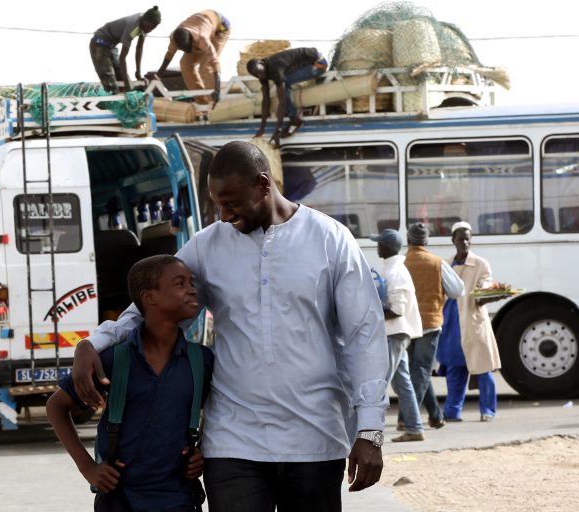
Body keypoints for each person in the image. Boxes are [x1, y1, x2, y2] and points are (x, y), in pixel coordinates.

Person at [72, 141, 389, 511]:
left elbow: (364, 334)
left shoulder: (331, 239)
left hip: (316, 438)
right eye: (217, 204)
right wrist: (94, 343)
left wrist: (370, 429)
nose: (223, 215)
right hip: (233, 440)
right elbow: (153, 306)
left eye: (232, 203)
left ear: (263, 184)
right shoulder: (209, 245)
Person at [47, 255, 214, 511]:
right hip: (119, 500)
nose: (193, 289)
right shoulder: (113, 360)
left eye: (192, 282)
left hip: (179, 498)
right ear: (149, 297)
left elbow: (219, 411)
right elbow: (56, 406)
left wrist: (200, 449)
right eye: (180, 283)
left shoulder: (201, 361)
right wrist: (87, 467)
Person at [400, 222, 465, 429]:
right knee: (421, 371)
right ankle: (406, 417)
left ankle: (435, 416)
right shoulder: (438, 263)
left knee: (417, 371)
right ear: (426, 241)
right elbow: (457, 291)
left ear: (408, 241)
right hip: (430, 324)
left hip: (407, 325)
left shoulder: (401, 263)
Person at [436, 221, 502, 422]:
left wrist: (490, 294)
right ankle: (452, 412)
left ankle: (488, 411)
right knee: (454, 371)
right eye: (460, 239)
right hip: (451, 322)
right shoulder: (445, 264)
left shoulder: (481, 264)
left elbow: (484, 287)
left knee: (483, 368)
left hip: (473, 322)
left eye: (467, 239)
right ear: (453, 240)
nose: (464, 242)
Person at [370, 229, 425, 443]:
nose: (377, 247)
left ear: (386, 247)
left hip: (394, 333)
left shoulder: (395, 272)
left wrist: (373, 313)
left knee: (380, 383)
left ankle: (369, 432)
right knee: (402, 383)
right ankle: (415, 428)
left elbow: (397, 309)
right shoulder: (393, 268)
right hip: (396, 332)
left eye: (379, 243)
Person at [246, 47, 328, 146]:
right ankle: (293, 117)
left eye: (260, 72)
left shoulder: (275, 67)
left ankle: (295, 120)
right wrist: (262, 128)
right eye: (257, 75)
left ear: (262, 63)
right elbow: (266, 100)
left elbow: (282, 102)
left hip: (318, 63)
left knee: (285, 81)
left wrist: (277, 130)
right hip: (309, 62)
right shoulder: (261, 73)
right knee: (284, 80)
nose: (261, 76)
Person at [153, 10, 230, 108]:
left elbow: (214, 62)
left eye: (188, 48)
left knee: (206, 66)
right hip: (200, 25)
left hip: (220, 28)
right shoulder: (174, 38)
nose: (187, 51)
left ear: (191, 41)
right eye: (183, 50)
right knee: (185, 64)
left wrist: (217, 89)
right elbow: (169, 55)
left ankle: (214, 103)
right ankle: (202, 102)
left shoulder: (202, 39)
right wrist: (159, 74)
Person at [89, 7, 162, 93]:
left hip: (111, 47)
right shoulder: (132, 27)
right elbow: (122, 58)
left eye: (152, 28)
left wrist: (138, 73)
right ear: (144, 20)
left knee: (123, 78)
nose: (149, 30)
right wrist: (128, 86)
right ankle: (114, 95)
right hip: (99, 44)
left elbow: (139, 48)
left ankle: (125, 92)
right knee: (110, 83)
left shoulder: (144, 25)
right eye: (148, 27)